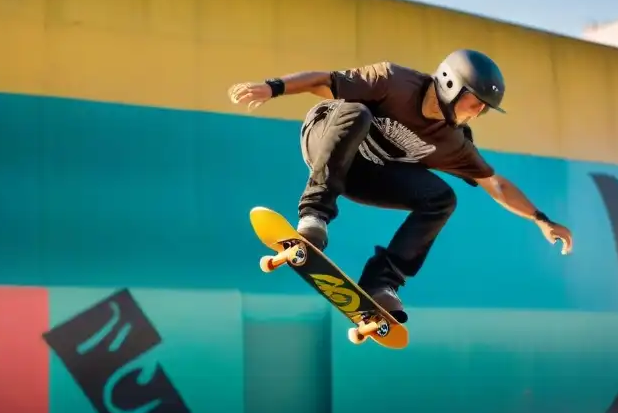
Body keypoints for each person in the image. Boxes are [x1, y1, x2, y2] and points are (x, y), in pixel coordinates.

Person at [227, 49, 573, 320]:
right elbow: (324, 81)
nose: (479, 112)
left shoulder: (453, 142)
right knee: (356, 112)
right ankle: (314, 216)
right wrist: (273, 87)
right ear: (453, 85)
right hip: (325, 139)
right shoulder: (393, 80)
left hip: (365, 176)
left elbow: (495, 185)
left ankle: (381, 283)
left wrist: (541, 219)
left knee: (442, 198)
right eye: (476, 102)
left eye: (485, 108)